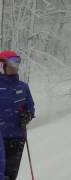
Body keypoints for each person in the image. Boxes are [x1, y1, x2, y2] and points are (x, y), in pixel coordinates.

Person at [0, 51, 35, 180]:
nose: (15, 67)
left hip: (17, 137)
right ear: (2, 66)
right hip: (0, 137)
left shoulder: (23, 87)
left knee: (11, 175)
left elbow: (30, 107)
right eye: (11, 64)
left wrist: (28, 115)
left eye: (17, 64)